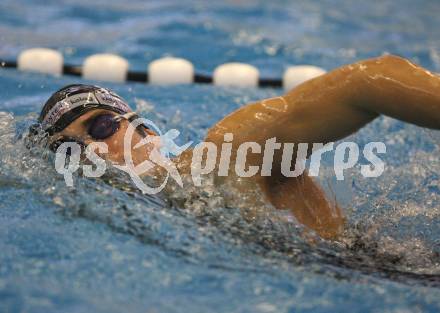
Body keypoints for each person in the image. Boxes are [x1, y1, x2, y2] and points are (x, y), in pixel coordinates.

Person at [34, 55, 440, 239]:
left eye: (102, 126)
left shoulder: (227, 156)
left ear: (147, 131)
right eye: (70, 150)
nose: (94, 152)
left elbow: (370, 79)